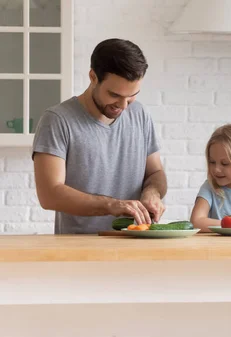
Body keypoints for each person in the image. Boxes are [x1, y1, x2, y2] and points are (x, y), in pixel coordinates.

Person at [32, 38, 167, 234]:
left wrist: (152, 193)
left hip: (137, 244)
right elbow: (49, 194)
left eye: (131, 96)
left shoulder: (139, 114)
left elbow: (155, 173)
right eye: (114, 95)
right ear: (93, 76)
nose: (123, 106)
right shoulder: (57, 120)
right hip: (80, 250)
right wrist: (112, 205)